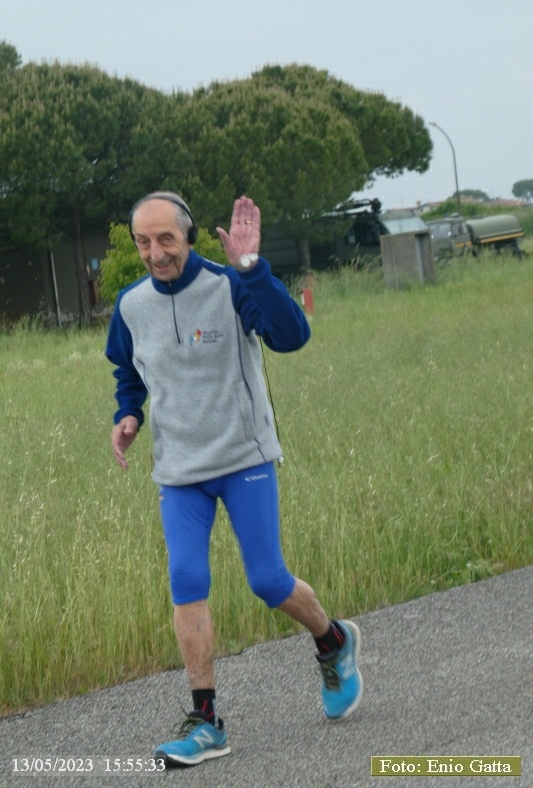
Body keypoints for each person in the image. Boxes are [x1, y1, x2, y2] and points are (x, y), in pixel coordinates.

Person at [106, 191, 362, 768]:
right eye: (144, 242)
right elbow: (129, 369)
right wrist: (129, 415)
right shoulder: (131, 305)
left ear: (189, 236)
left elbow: (292, 335)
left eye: (166, 239)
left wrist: (252, 268)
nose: (155, 253)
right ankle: (206, 721)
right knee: (186, 579)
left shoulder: (229, 285)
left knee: (268, 580)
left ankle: (333, 640)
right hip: (180, 471)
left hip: (244, 457)